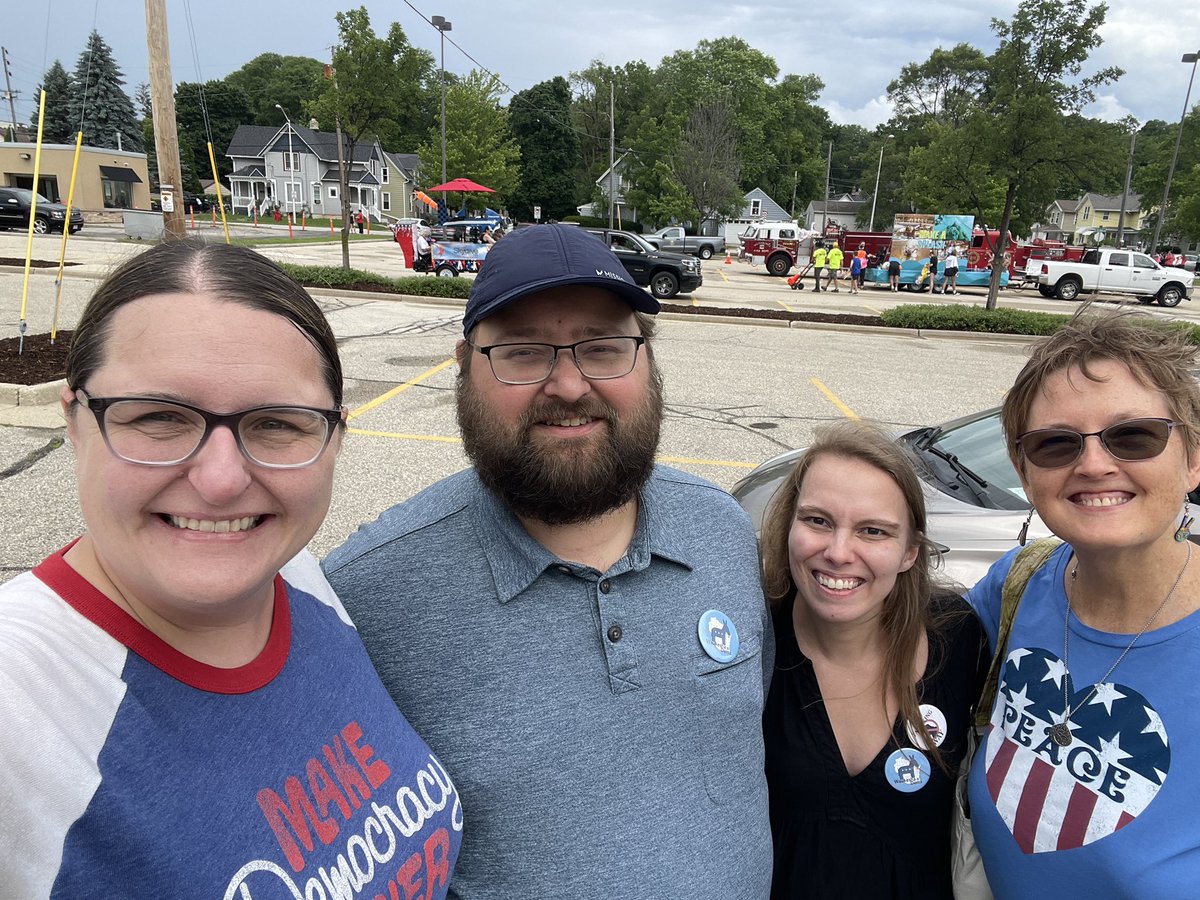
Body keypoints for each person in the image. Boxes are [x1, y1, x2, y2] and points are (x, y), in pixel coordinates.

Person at [324, 223, 774, 900]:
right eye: (523, 352)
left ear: (648, 356)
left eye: (604, 347)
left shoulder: (723, 530)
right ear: (464, 365)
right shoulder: (368, 598)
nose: (568, 385)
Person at [0, 239, 462, 897]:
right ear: (75, 422)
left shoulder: (292, 574)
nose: (221, 481)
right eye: (159, 416)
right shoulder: (18, 705)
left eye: (277, 424)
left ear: (335, 436)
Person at [967, 312, 1200, 897]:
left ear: (1193, 458)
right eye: (1055, 444)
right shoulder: (1016, 586)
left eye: (1134, 436)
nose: (1093, 464)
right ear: (1025, 473)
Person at [761, 419, 986, 899]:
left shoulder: (958, 638)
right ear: (789, 525)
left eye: (873, 531)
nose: (838, 552)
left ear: (909, 552)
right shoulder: (751, 644)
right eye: (818, 521)